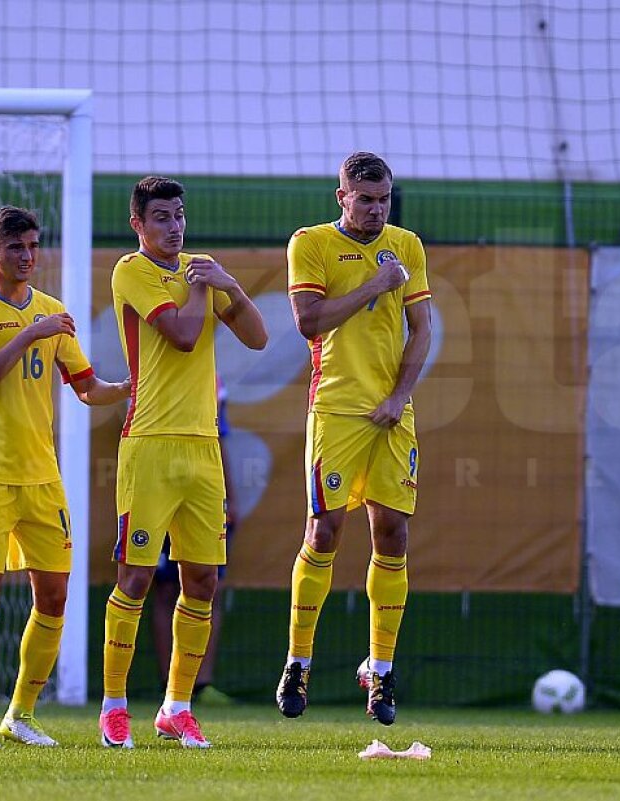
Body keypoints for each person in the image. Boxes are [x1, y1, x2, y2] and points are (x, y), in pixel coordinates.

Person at [0, 205, 129, 748]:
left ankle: (20, 714)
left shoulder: (52, 312)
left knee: (54, 595)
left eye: (32, 246)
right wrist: (30, 335)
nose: (27, 256)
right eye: (15, 247)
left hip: (42, 477)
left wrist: (129, 388)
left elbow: (86, 386)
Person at [99, 176, 267, 750]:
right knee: (136, 577)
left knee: (202, 580)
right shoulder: (132, 270)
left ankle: (177, 707)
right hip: (149, 442)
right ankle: (114, 707)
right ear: (138, 225)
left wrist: (230, 285)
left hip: (203, 448)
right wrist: (203, 287)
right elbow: (184, 335)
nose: (175, 227)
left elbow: (258, 337)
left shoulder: (202, 271)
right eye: (162, 217)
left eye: (179, 216)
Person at [275, 151, 432, 726]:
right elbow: (309, 322)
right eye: (365, 199)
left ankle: (381, 671)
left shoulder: (406, 245)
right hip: (336, 409)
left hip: (391, 413)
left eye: (383, 199)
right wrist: (374, 284)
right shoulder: (310, 243)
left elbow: (422, 329)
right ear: (342, 197)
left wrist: (399, 396)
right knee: (324, 531)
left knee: (392, 534)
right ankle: (298, 662)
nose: (375, 209)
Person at [149, 377, 237, 705]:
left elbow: (219, 440)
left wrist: (231, 496)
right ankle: (167, 682)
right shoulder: (146, 371)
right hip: (158, 489)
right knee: (162, 589)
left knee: (207, 584)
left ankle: (200, 682)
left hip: (203, 489)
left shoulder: (212, 381)